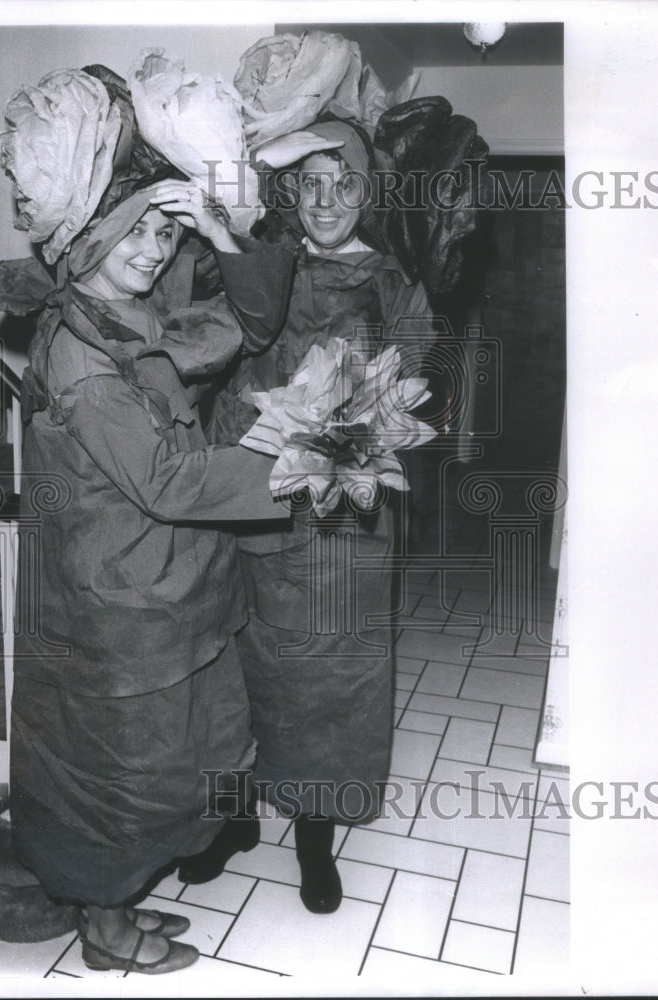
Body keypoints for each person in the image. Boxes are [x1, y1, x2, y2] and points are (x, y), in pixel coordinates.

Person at [0, 167, 295, 972]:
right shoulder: (83, 359)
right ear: (88, 238)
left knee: (175, 753)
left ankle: (116, 899)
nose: (154, 251)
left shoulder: (127, 313)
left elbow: (249, 327)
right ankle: (105, 930)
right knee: (119, 769)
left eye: (165, 232)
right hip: (115, 601)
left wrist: (222, 236)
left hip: (164, 579)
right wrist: (297, 465)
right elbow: (164, 479)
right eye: (136, 231)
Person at [182, 118, 436, 914]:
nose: (326, 201)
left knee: (329, 679)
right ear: (291, 190)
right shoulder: (262, 265)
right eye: (310, 184)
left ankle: (314, 834)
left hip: (340, 516)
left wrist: (349, 431)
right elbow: (213, 361)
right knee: (229, 663)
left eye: (345, 183)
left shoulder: (394, 281)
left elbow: (414, 381)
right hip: (245, 500)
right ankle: (233, 819)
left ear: (368, 190)